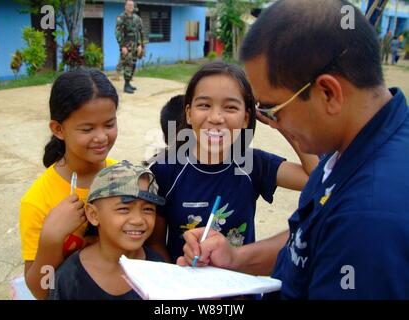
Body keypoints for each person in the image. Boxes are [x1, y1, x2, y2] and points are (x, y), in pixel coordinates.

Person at [178, 0, 409, 299]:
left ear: (328, 92)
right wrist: (236, 259)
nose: (273, 122)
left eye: (272, 109)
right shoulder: (351, 151)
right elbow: (309, 238)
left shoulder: (369, 218)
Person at [147, 61, 318, 263]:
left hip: (239, 291)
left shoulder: (251, 163)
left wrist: (278, 120)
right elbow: (155, 243)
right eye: (204, 105)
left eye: (230, 107)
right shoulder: (165, 169)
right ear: (189, 113)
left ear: (246, 118)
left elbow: (316, 178)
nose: (216, 117)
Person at [19, 68, 119, 299]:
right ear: (58, 129)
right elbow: (40, 289)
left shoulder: (122, 177)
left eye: (109, 124)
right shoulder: (37, 201)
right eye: (87, 129)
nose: (101, 137)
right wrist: (51, 239)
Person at [49, 160, 166, 300]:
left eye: (148, 209)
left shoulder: (158, 268)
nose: (138, 220)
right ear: (93, 215)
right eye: (124, 209)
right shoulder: (69, 276)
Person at [115, 0, 144, 94]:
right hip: (126, 45)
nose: (130, 6)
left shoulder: (137, 18)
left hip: (136, 45)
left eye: (132, 5)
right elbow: (118, 33)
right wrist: (122, 46)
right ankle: (126, 85)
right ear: (125, 6)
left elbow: (140, 32)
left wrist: (140, 45)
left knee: (133, 64)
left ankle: (129, 83)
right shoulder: (121, 18)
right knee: (128, 64)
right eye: (129, 5)